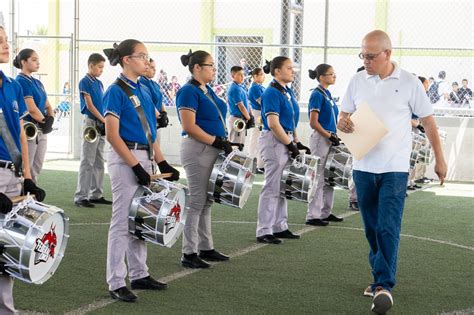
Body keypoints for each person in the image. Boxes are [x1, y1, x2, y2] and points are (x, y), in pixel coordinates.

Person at [338, 30, 447, 314]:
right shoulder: (356, 80)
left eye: (371, 56)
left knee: (388, 226)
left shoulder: (410, 82)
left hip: (395, 169)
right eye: (362, 55)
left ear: (388, 53)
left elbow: (429, 122)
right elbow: (343, 116)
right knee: (372, 229)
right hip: (363, 167)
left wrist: (440, 159)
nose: (366, 61)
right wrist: (344, 124)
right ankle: (379, 279)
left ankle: (384, 285)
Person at [102, 39, 180, 302]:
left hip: (145, 155)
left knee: (139, 219)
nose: (147, 61)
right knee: (122, 221)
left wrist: (163, 161)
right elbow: (112, 135)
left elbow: (151, 133)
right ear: (126, 60)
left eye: (147, 56)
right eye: (141, 56)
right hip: (126, 156)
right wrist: (135, 165)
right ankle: (115, 281)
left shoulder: (144, 90)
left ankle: (139, 273)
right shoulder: (115, 90)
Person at [0, 13, 46, 314]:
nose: (6, 46)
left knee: (7, 250)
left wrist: (28, 176)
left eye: (5, 40)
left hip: (13, 172)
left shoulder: (10, 84)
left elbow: (18, 131)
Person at [176, 49, 232, 268]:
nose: (214, 69)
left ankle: (206, 247)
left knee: (206, 200)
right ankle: (188, 252)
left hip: (210, 146)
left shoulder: (205, 90)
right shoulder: (188, 91)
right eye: (210, 65)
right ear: (197, 67)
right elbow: (189, 126)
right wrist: (215, 141)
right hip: (198, 148)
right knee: (197, 200)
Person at [256, 56, 310, 244]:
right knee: (272, 185)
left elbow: (291, 117)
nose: (292, 71)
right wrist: (289, 144)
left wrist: (296, 140)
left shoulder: (286, 91)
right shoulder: (271, 92)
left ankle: (280, 226)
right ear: (277, 71)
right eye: (289, 68)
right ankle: (264, 229)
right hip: (274, 140)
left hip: (284, 137)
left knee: (282, 185)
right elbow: (273, 123)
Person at [305, 64, 343, 226]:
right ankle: (313, 215)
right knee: (318, 176)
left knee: (329, 176)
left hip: (330, 137)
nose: (334, 76)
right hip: (321, 138)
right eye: (331, 74)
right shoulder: (316, 94)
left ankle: (325, 211)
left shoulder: (327, 93)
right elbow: (314, 122)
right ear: (321, 77)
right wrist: (328, 135)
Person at [73, 53, 112, 207]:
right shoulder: (85, 82)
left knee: (99, 160)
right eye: (100, 67)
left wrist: (104, 121)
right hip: (91, 123)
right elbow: (89, 106)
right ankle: (81, 196)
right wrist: (103, 120)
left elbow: (101, 104)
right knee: (87, 160)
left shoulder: (99, 83)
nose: (102, 70)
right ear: (91, 66)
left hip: (101, 124)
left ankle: (96, 193)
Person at [14, 49, 54, 183]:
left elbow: (48, 105)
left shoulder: (38, 83)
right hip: (29, 128)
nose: (38, 63)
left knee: (36, 167)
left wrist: (51, 118)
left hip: (41, 128)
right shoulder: (20, 81)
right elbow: (31, 109)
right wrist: (45, 121)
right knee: (26, 167)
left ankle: (32, 199)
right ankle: (23, 199)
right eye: (34, 60)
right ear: (23, 62)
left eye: (38, 60)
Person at [138, 58, 169, 141]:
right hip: (149, 120)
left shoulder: (154, 83)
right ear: (145, 67)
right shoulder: (141, 83)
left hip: (157, 121)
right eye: (152, 67)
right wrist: (159, 116)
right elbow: (149, 102)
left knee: (157, 147)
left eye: (155, 68)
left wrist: (164, 113)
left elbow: (160, 98)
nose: (154, 70)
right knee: (153, 147)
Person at [227, 66, 254, 149]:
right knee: (236, 145)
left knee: (241, 144)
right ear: (233, 76)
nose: (242, 77)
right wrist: (249, 118)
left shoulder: (240, 87)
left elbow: (246, 103)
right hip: (237, 119)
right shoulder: (234, 88)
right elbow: (241, 106)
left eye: (243, 74)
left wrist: (250, 115)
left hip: (242, 118)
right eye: (239, 75)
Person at [247, 67, 265, 174]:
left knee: (259, 138)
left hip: (260, 113)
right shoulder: (254, 88)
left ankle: (259, 164)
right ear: (255, 76)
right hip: (257, 113)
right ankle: (253, 164)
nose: (263, 76)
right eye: (261, 74)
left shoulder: (260, 87)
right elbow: (262, 102)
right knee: (256, 139)